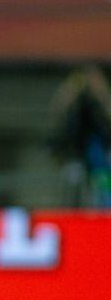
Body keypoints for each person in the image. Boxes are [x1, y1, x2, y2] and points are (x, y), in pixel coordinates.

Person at [49, 64, 111, 207]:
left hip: (98, 151)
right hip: (76, 152)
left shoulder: (100, 102)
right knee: (75, 181)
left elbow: (107, 115)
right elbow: (58, 116)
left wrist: (100, 92)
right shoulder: (72, 103)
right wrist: (70, 91)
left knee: (102, 180)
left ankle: (106, 207)